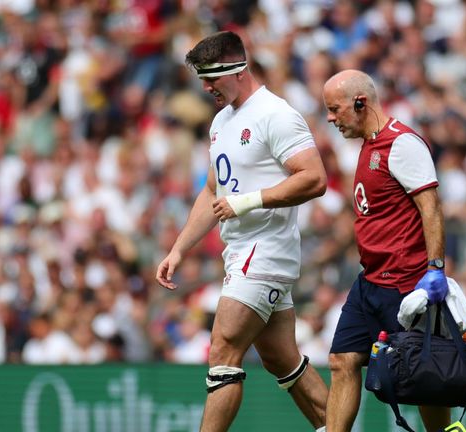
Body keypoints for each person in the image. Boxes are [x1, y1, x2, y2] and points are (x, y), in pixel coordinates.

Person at [155, 31, 329, 432]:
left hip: (265, 248)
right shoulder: (221, 121)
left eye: (211, 78)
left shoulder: (276, 114)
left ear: (237, 69)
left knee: (223, 349)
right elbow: (214, 190)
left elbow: (314, 178)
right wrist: (179, 249)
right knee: (280, 357)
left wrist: (249, 201)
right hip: (242, 249)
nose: (205, 87)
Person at [322, 69, 450, 432]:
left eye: (335, 109)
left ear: (360, 103)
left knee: (424, 379)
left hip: (405, 285)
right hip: (370, 282)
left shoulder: (402, 144)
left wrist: (435, 269)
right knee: (341, 360)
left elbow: (431, 208)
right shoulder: (368, 146)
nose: (331, 118)